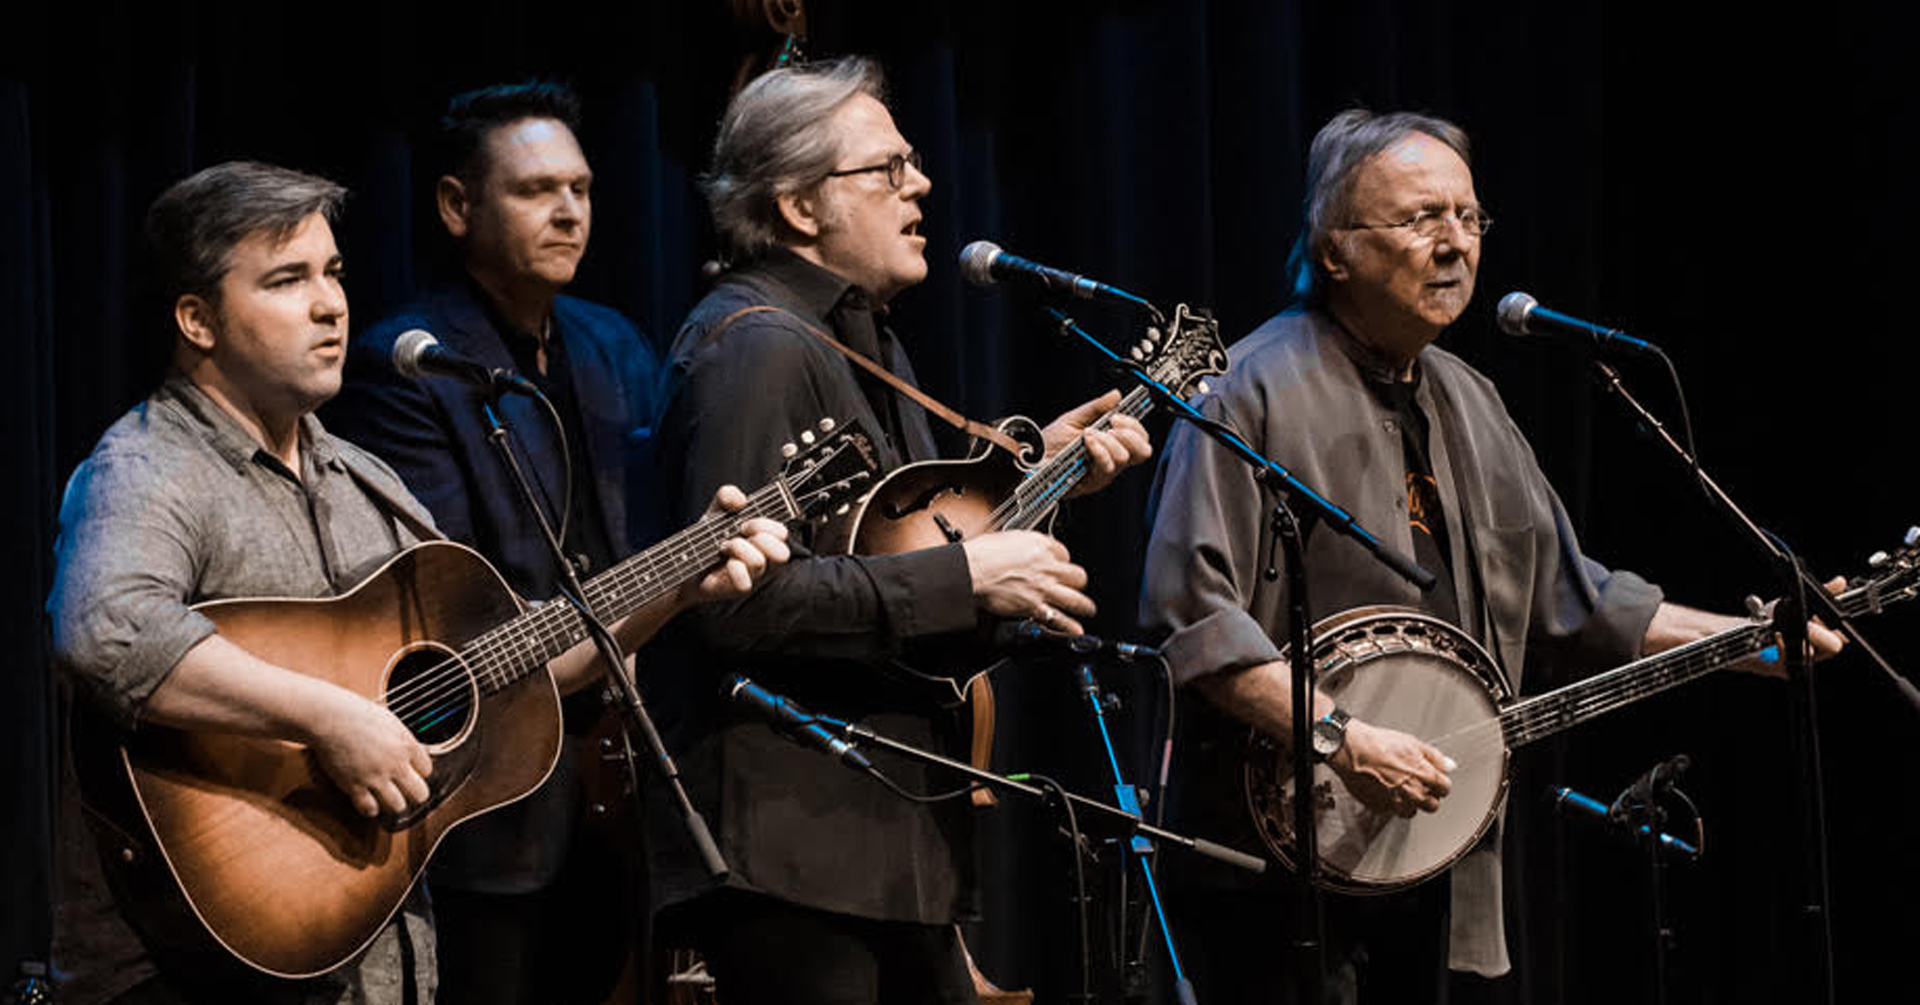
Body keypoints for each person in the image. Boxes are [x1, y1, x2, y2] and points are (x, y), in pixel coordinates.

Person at [1137, 109, 1845, 1004]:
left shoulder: (1473, 403)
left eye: (1469, 219)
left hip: (1430, 856)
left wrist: (1752, 640)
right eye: (1420, 218)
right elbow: (1190, 621)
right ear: (1336, 248)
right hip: (1271, 875)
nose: (1453, 244)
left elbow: (1577, 601)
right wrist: (1343, 737)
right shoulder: (1247, 393)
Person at [645, 56, 1152, 1005]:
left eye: (912, 162)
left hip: (884, 840)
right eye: (886, 168)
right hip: (792, 853)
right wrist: (969, 578)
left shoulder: (867, 342)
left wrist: (1035, 500)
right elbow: (731, 604)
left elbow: (892, 589)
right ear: (800, 206)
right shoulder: (753, 348)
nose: (920, 184)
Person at [322, 82, 785, 1004]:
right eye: (537, 190)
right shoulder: (405, 362)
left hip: (623, 778)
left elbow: (653, 525)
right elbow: (453, 607)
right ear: (458, 206)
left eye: (580, 188)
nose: (569, 210)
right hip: (492, 795)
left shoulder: (612, 342)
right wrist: (678, 579)